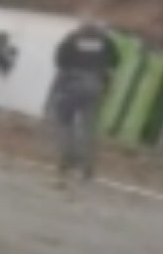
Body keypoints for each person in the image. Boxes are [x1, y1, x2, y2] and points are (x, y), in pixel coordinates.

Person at [45, 16, 121, 181]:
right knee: (88, 126)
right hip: (96, 85)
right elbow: (116, 61)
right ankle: (87, 166)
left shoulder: (72, 38)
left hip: (73, 84)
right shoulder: (106, 41)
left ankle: (67, 157)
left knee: (64, 120)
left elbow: (60, 60)